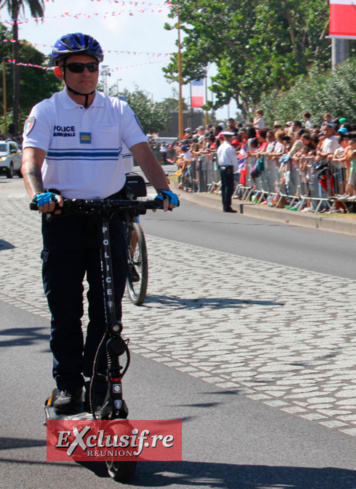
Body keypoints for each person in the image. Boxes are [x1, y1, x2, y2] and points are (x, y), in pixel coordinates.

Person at [21, 33, 179, 414]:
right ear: (60, 71)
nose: (86, 74)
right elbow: (30, 163)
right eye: (77, 67)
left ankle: (99, 380)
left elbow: (144, 154)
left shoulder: (117, 109)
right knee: (65, 309)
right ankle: (68, 385)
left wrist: (163, 189)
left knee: (108, 311)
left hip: (108, 218)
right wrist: (39, 195)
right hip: (64, 217)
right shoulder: (47, 111)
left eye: (92, 67)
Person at [217, 134, 239, 212]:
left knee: (224, 187)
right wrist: (235, 169)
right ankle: (227, 206)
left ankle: (224, 205)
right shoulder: (230, 147)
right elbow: (234, 160)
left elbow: (219, 157)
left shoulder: (221, 147)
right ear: (230, 138)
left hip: (222, 167)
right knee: (228, 187)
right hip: (228, 167)